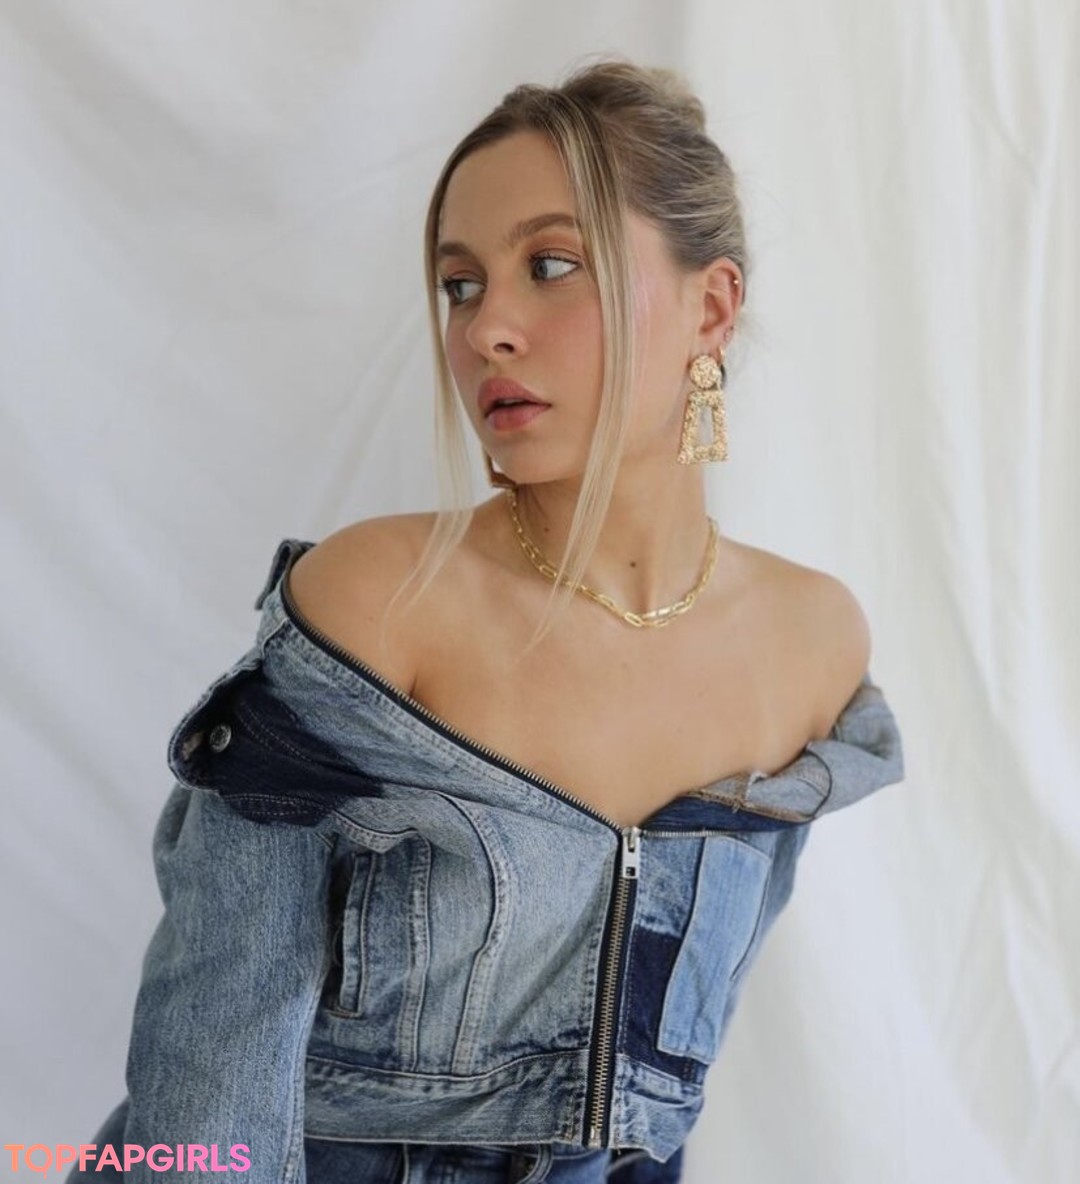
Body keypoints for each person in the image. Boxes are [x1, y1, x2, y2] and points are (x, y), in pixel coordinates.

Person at [70, 58, 904, 1184]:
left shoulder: (812, 645)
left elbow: (650, 1108)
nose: (486, 330)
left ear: (710, 308)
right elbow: (210, 1074)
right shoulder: (379, 602)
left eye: (551, 265)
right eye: (460, 285)